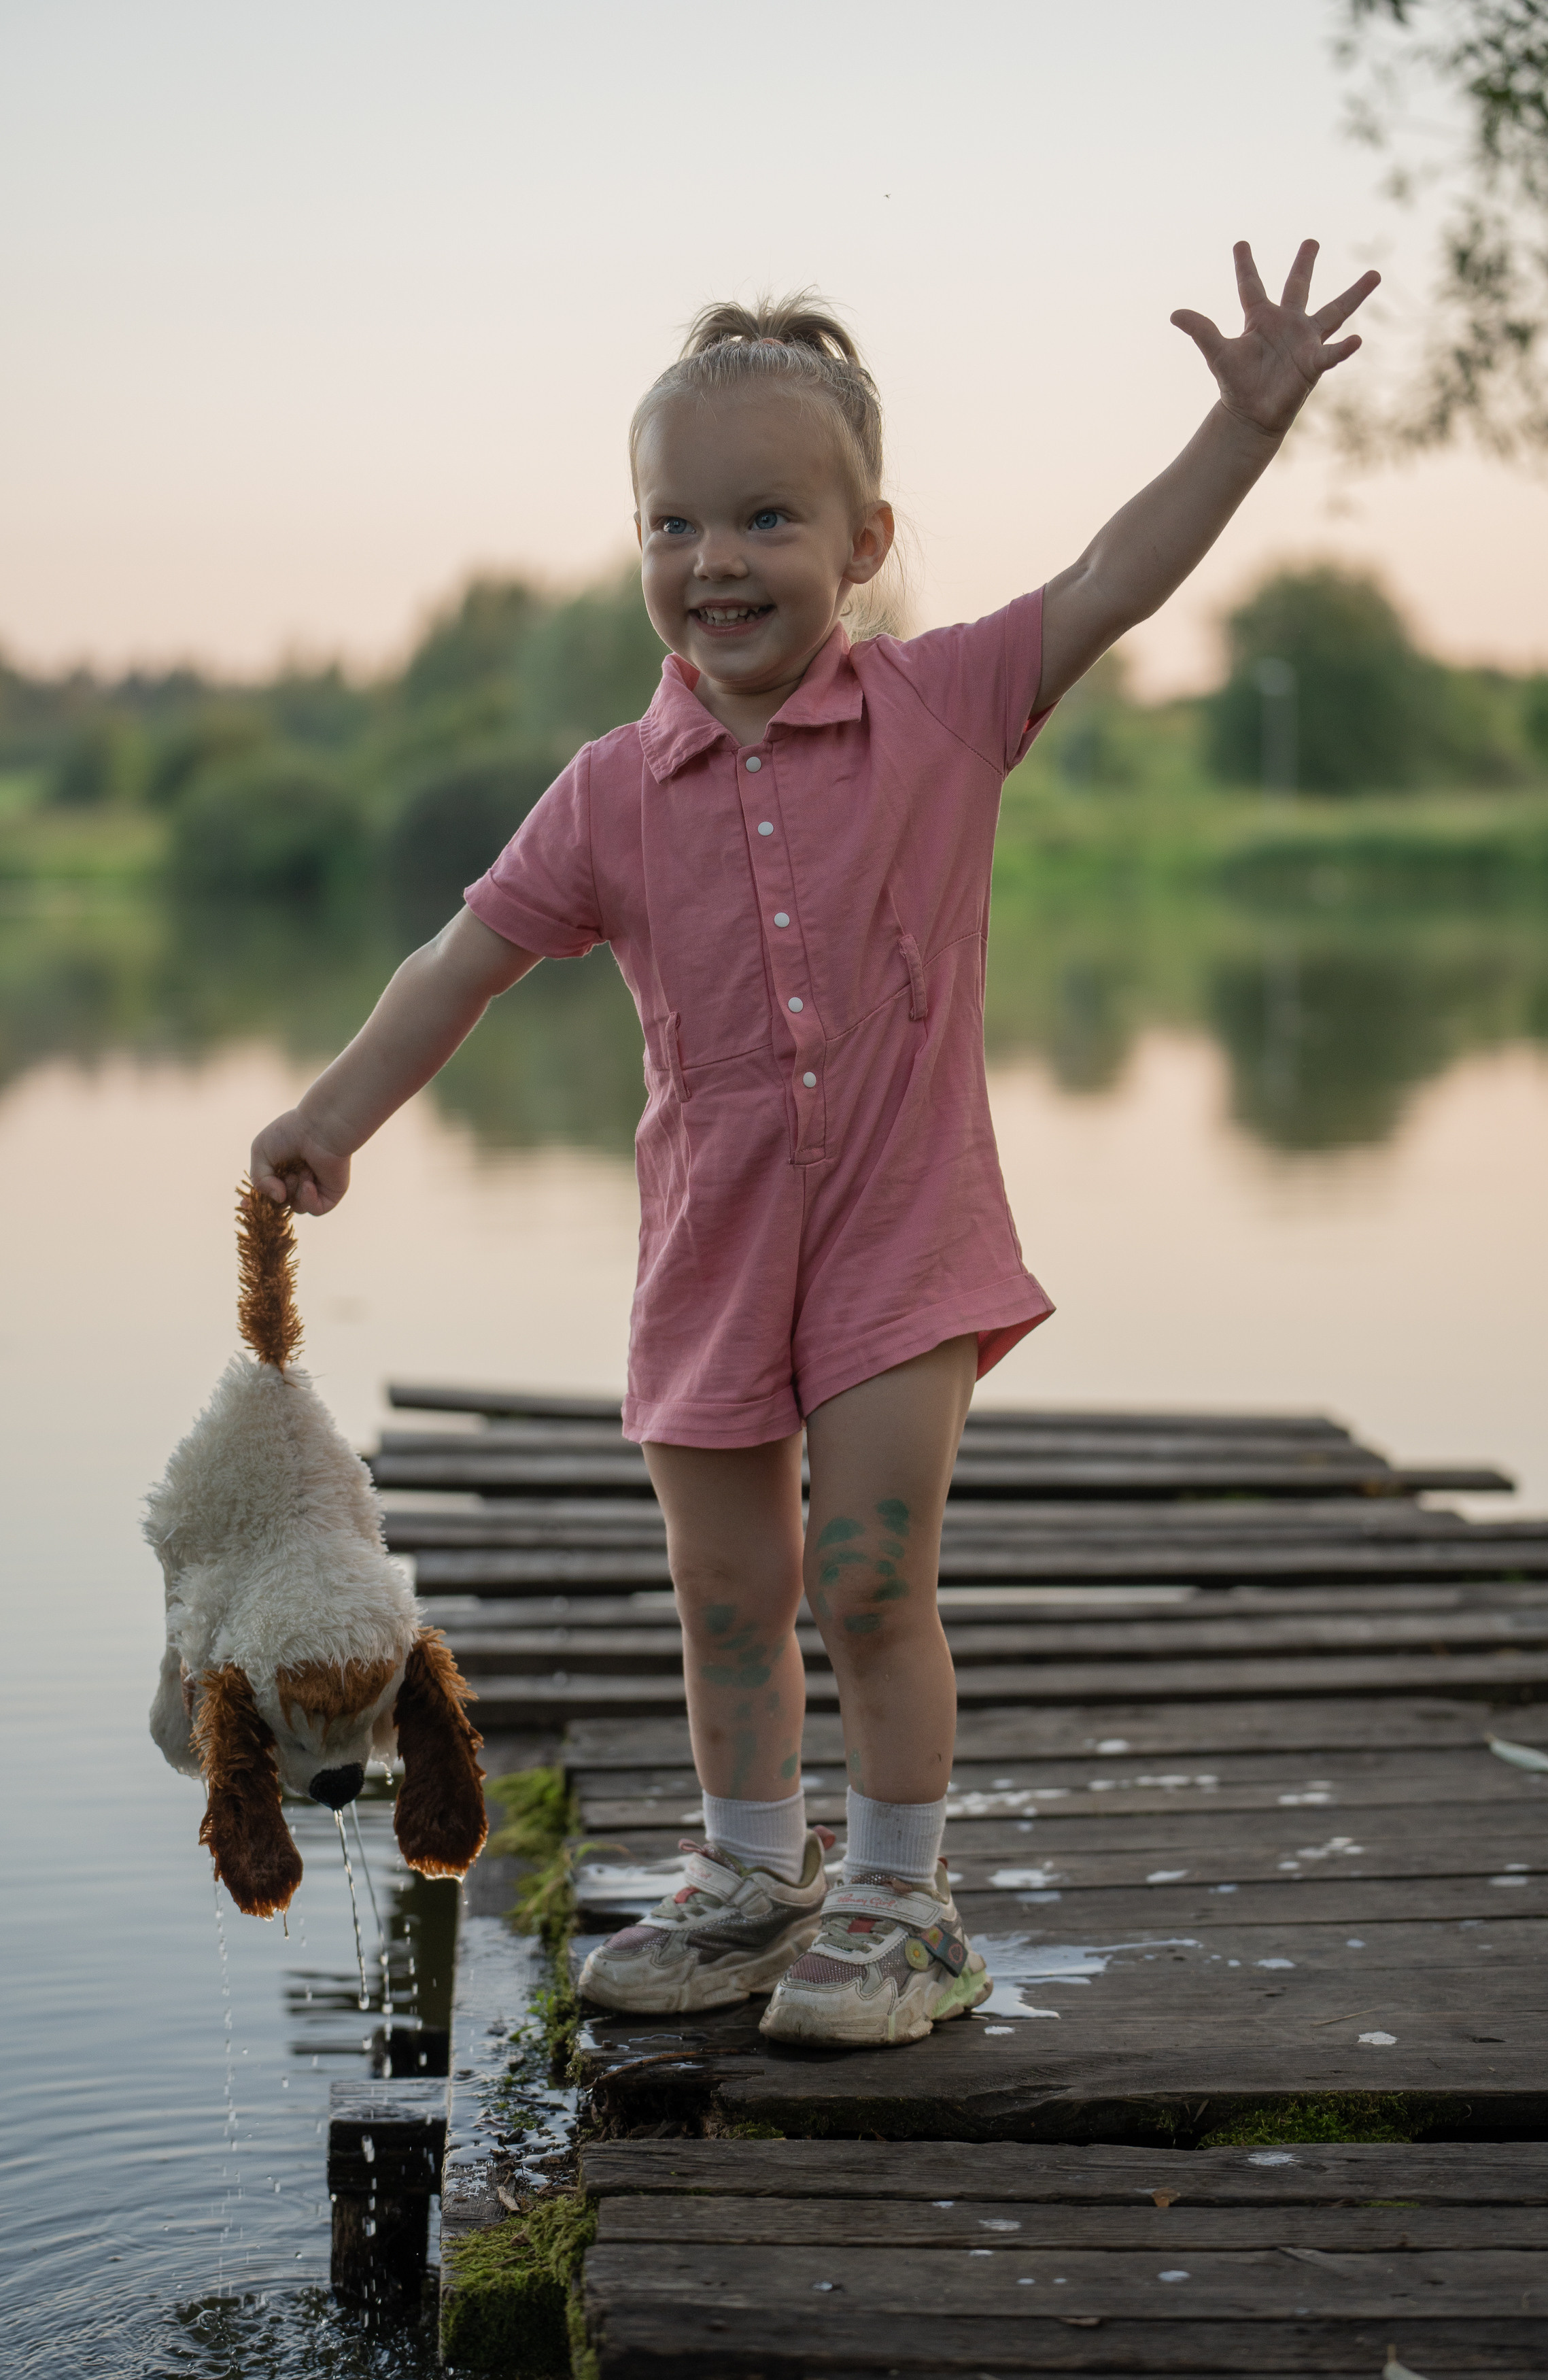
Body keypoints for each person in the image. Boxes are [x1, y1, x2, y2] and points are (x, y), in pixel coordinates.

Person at [252, 243, 1377, 2047]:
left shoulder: (944, 709)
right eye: (670, 527)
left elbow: (1109, 578)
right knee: (728, 1599)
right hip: (711, 1254)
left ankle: (903, 1894)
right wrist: (331, 1114)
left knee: (864, 1582)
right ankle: (754, 1876)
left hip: (900, 1241)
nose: (711, 564)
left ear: (861, 542)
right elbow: (461, 960)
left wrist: (1240, 430)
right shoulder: (610, 792)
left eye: (765, 518)